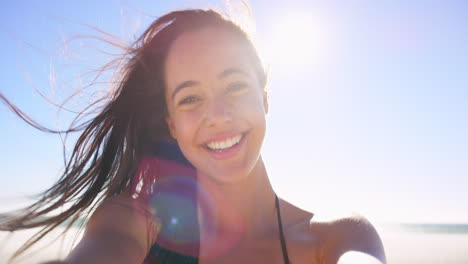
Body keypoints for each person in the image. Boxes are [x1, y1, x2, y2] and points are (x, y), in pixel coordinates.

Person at [0, 9, 386, 264]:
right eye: (190, 98)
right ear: (170, 123)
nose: (216, 115)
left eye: (234, 86)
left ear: (265, 99)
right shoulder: (136, 224)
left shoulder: (337, 240)